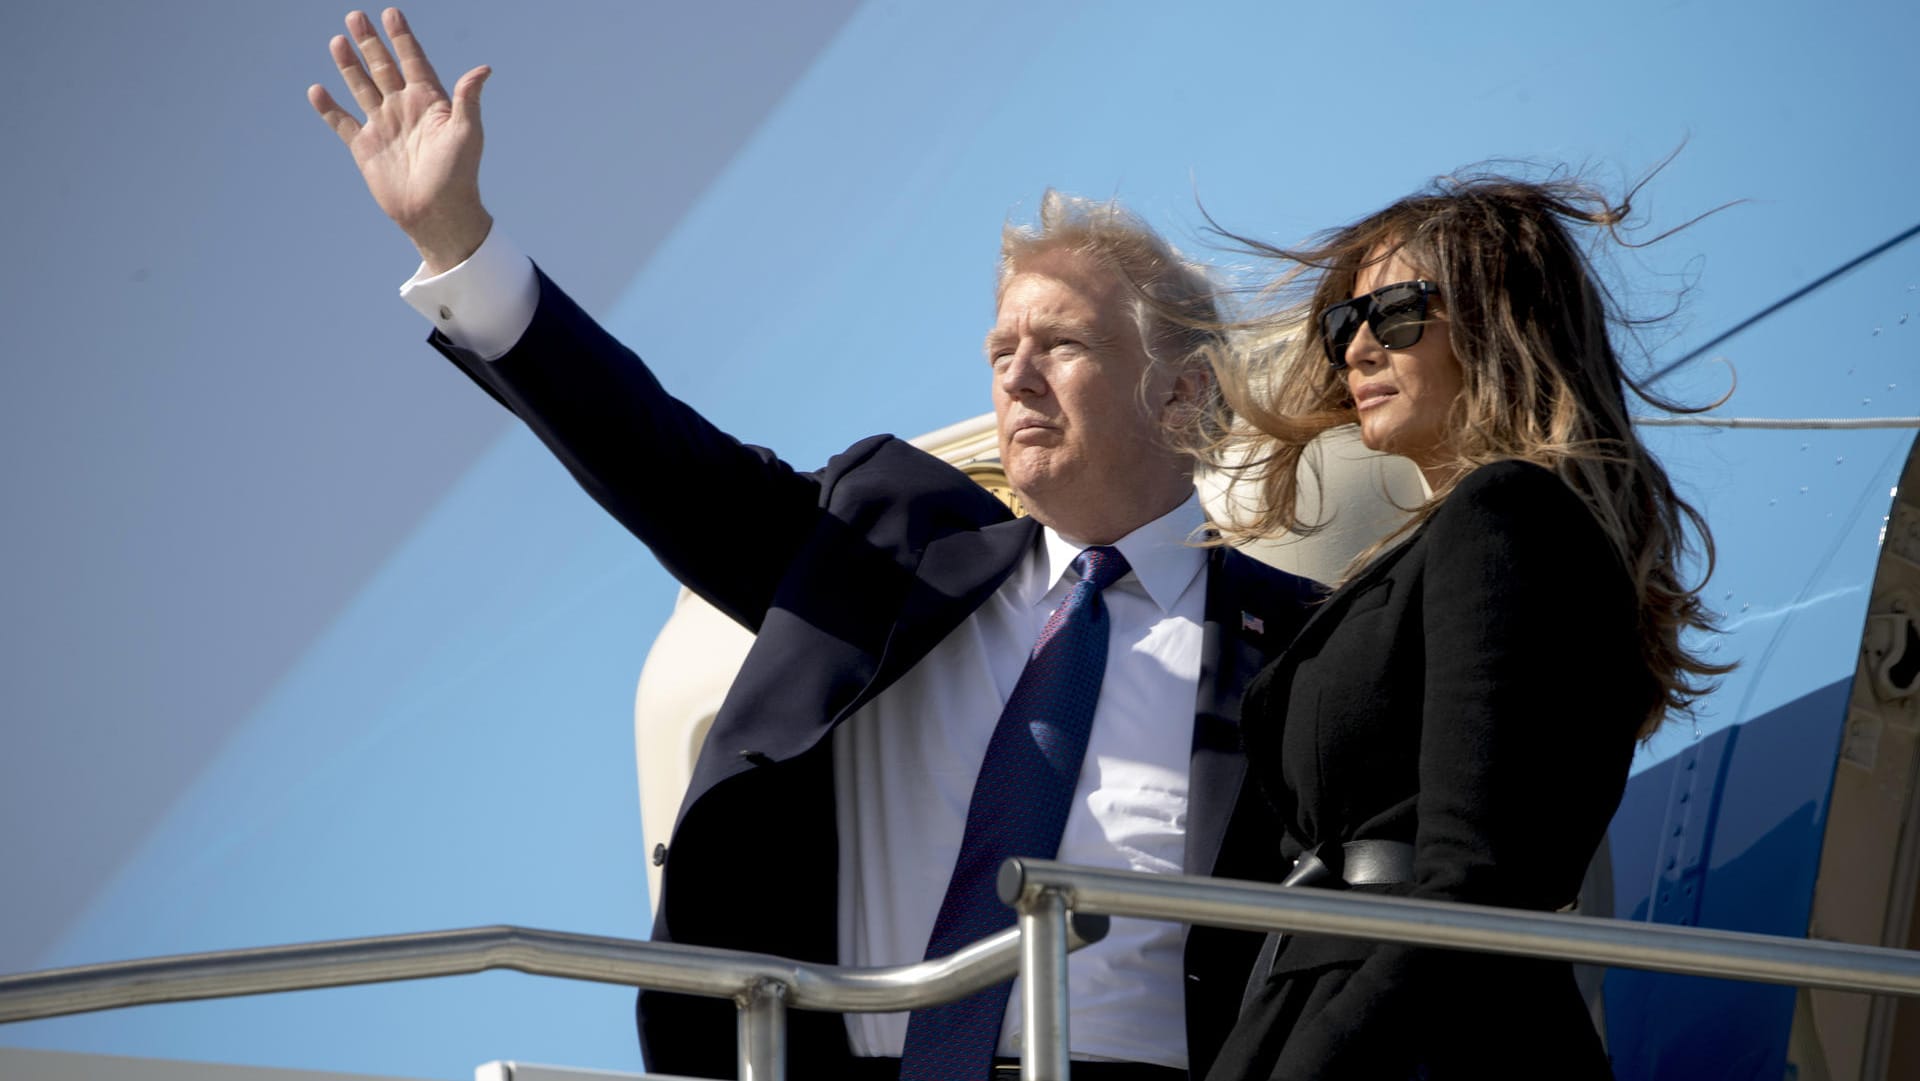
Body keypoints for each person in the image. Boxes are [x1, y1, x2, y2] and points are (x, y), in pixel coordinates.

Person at [307, 10, 1321, 1080]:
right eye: (1000, 348)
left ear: (1184, 390)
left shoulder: (1303, 639)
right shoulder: (888, 551)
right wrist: (461, 246)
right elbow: (664, 462)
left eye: (1061, 343)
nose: (1015, 376)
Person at [1197, 173, 1728, 1080]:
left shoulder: (1505, 514)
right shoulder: (1479, 534)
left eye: (1397, 312)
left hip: (1412, 1030)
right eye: (1343, 323)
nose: (1357, 346)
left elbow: (1473, 883)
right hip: (1368, 1001)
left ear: (1496, 322)